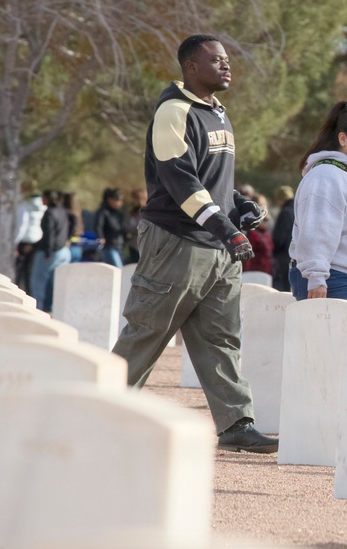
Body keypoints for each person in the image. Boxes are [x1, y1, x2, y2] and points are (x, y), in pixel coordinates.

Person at [111, 34, 276, 454]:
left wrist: (240, 206)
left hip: (218, 245)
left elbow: (212, 181)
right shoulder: (174, 110)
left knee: (221, 339)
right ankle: (100, 410)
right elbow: (180, 179)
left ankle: (237, 422)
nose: (226, 66)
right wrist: (227, 228)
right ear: (191, 68)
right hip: (176, 241)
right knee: (148, 331)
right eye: (216, 60)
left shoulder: (217, 113)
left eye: (227, 59)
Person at [289, 101, 347, 307]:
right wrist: (316, 278)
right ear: (343, 138)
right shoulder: (326, 175)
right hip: (333, 278)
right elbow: (317, 229)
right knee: (340, 340)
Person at [28, 189, 71, 312]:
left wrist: (47, 251)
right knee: (55, 284)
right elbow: (73, 219)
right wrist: (67, 238)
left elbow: (49, 234)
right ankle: (53, 309)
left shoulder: (49, 213)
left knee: (38, 282)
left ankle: (37, 309)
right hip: (63, 251)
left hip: (50, 252)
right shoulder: (62, 211)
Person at [14, 184, 45, 293]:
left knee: (19, 271)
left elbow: (21, 226)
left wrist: (15, 243)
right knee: (31, 271)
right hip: (38, 241)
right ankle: (30, 294)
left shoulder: (24, 207)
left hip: (24, 240)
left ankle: (18, 292)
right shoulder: (44, 208)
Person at [94, 188, 127, 268]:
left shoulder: (118, 214)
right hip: (108, 246)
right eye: (117, 200)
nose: (120, 203)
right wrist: (101, 238)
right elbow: (98, 226)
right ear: (110, 200)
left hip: (119, 245)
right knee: (118, 269)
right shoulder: (103, 212)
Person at [270, 185, 295, 292]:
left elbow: (279, 237)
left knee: (281, 289)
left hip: (283, 256)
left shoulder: (285, 212)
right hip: (294, 254)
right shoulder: (298, 209)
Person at [243, 194, 274, 276]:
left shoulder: (265, 233)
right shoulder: (252, 233)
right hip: (254, 272)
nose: (266, 221)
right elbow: (247, 257)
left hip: (266, 271)